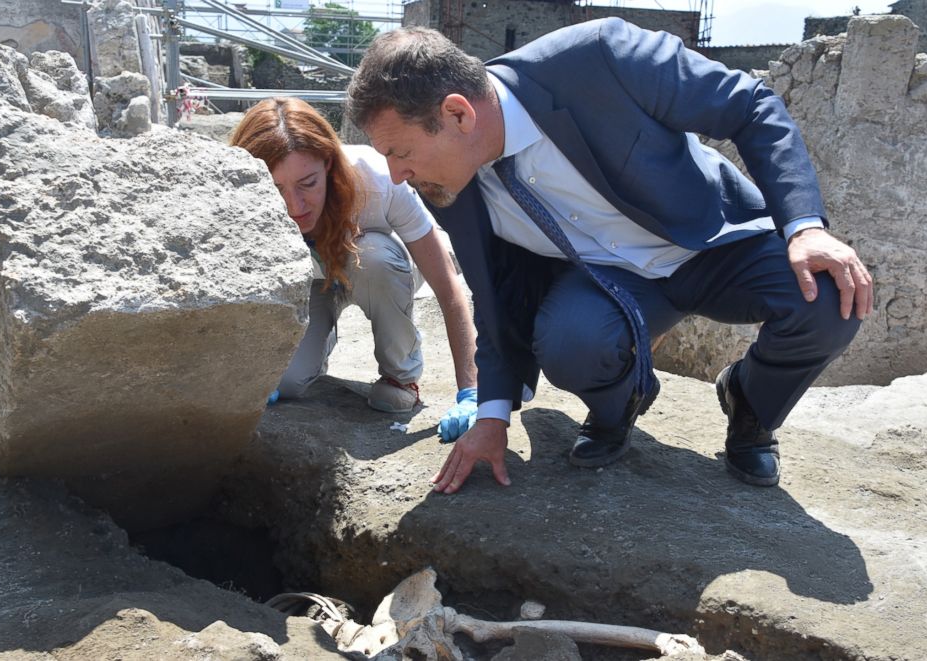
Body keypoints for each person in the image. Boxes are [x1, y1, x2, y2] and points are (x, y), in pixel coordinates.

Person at [345, 19, 873, 492]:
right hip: (609, 283)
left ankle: (751, 405)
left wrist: (804, 227)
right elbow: (494, 296)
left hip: (714, 241)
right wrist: (493, 414)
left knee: (828, 297)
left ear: (457, 114)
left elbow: (750, 105)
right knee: (571, 341)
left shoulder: (601, 57)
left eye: (400, 152)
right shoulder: (449, 186)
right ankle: (619, 408)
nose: (394, 175)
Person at [230, 97, 479, 441]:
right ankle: (319, 337)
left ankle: (400, 374)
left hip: (383, 265)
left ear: (329, 164)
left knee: (373, 257)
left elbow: (447, 286)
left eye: (308, 183)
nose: (294, 206)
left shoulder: (376, 180)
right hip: (310, 282)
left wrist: (472, 391)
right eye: (276, 189)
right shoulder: (236, 200)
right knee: (286, 382)